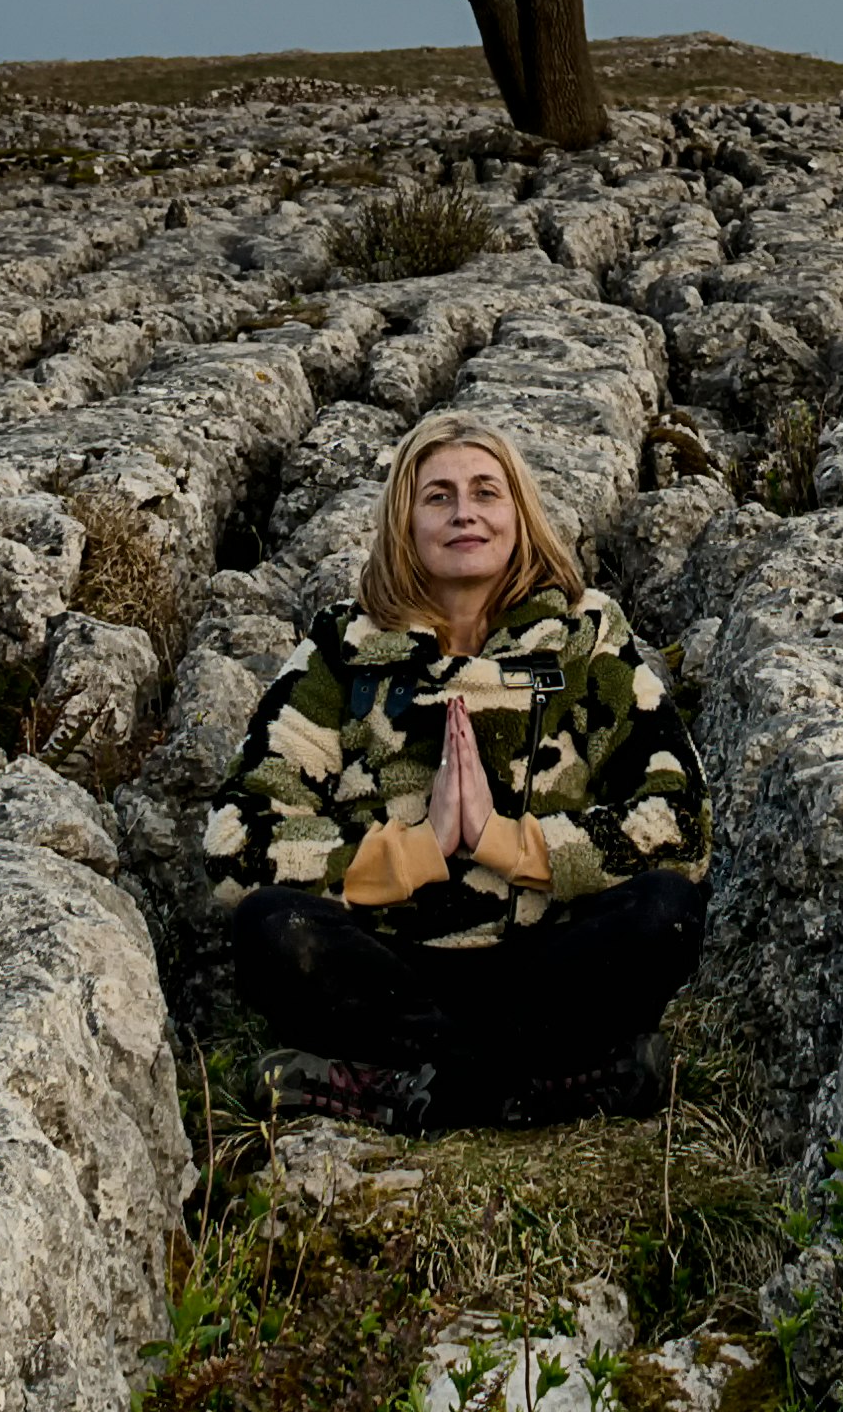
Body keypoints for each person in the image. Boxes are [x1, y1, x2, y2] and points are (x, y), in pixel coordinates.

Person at [201, 411, 705, 1126]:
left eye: (485, 492)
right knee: (267, 924)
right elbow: (236, 843)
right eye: (437, 495)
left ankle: (410, 1088)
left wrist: (507, 841)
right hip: (391, 965)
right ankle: (530, 1085)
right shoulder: (344, 647)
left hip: (547, 961)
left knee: (666, 912)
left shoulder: (585, 634)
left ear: (518, 512)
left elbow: (679, 820)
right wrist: (419, 850)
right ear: (404, 519)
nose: (464, 512)